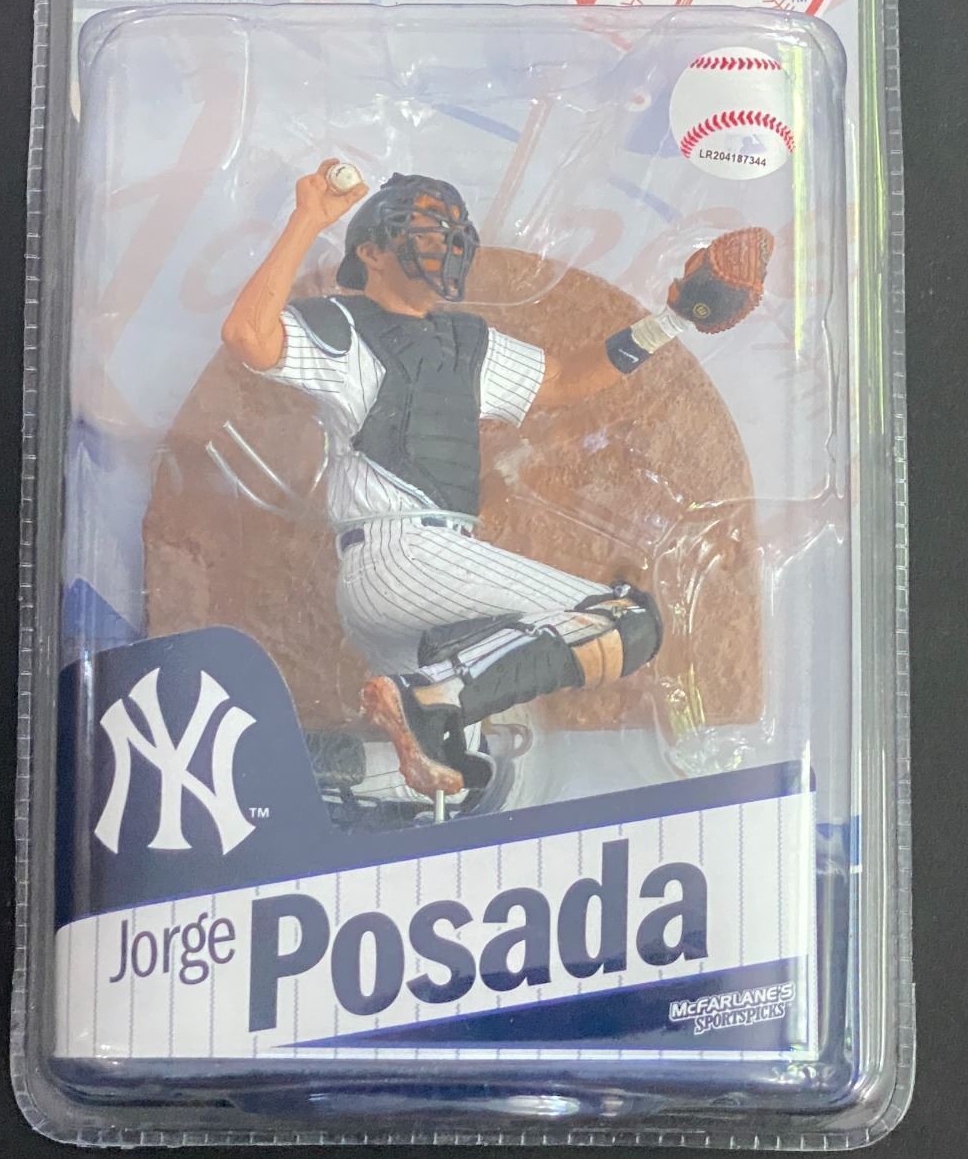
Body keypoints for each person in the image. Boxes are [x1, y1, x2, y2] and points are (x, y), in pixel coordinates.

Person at [222, 161, 732, 802]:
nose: (446, 240)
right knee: (622, 620)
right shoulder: (344, 328)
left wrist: (673, 319)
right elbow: (249, 334)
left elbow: (564, 380)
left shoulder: (465, 341)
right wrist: (307, 219)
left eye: (452, 228)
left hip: (417, 580)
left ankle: (274, 772)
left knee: (453, 786)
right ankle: (431, 699)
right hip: (406, 555)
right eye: (426, 227)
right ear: (372, 252)